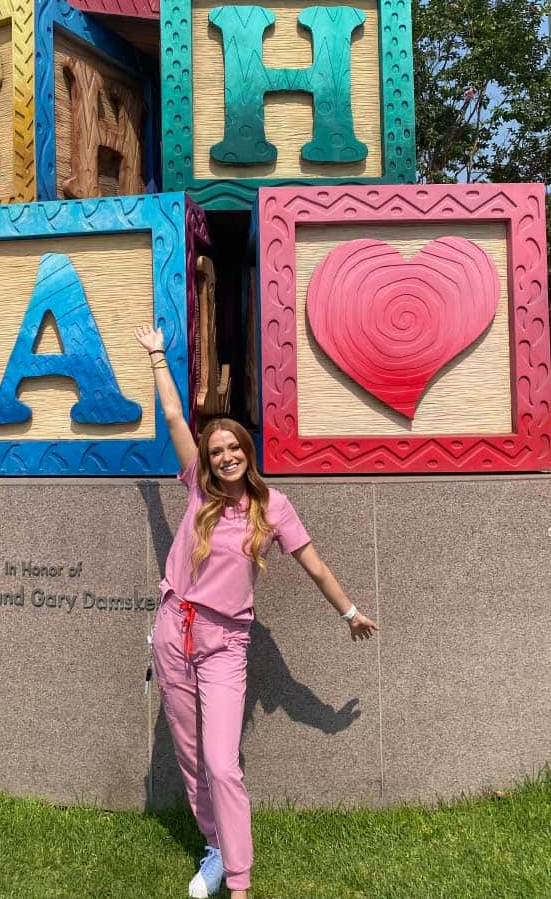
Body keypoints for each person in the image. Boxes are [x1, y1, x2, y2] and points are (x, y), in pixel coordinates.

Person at [134, 323, 379, 899]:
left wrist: (349, 615)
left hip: (226, 643)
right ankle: (215, 847)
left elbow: (314, 565)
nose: (223, 457)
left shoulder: (274, 507)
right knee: (189, 754)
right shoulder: (197, 488)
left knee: (222, 762)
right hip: (175, 629)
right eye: (215, 450)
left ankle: (239, 884)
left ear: (247, 453)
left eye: (232, 449)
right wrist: (155, 357)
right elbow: (174, 419)